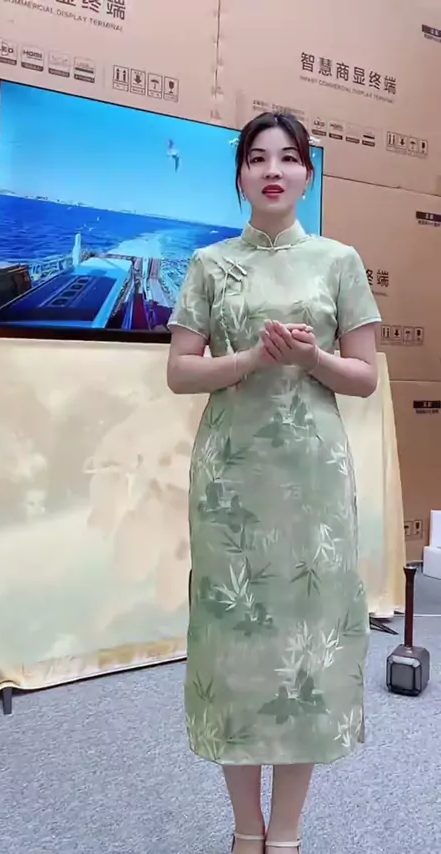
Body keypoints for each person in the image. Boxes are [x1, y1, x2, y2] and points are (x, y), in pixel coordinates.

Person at [166, 111, 381, 854]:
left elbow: (365, 378)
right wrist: (251, 360)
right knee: (235, 648)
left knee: (304, 649)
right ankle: (244, 829)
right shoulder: (209, 264)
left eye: (288, 158)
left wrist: (311, 358)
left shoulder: (339, 262)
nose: (273, 171)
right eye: (257, 158)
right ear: (239, 176)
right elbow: (180, 372)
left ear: (307, 176)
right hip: (232, 482)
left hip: (312, 482)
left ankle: (285, 833)